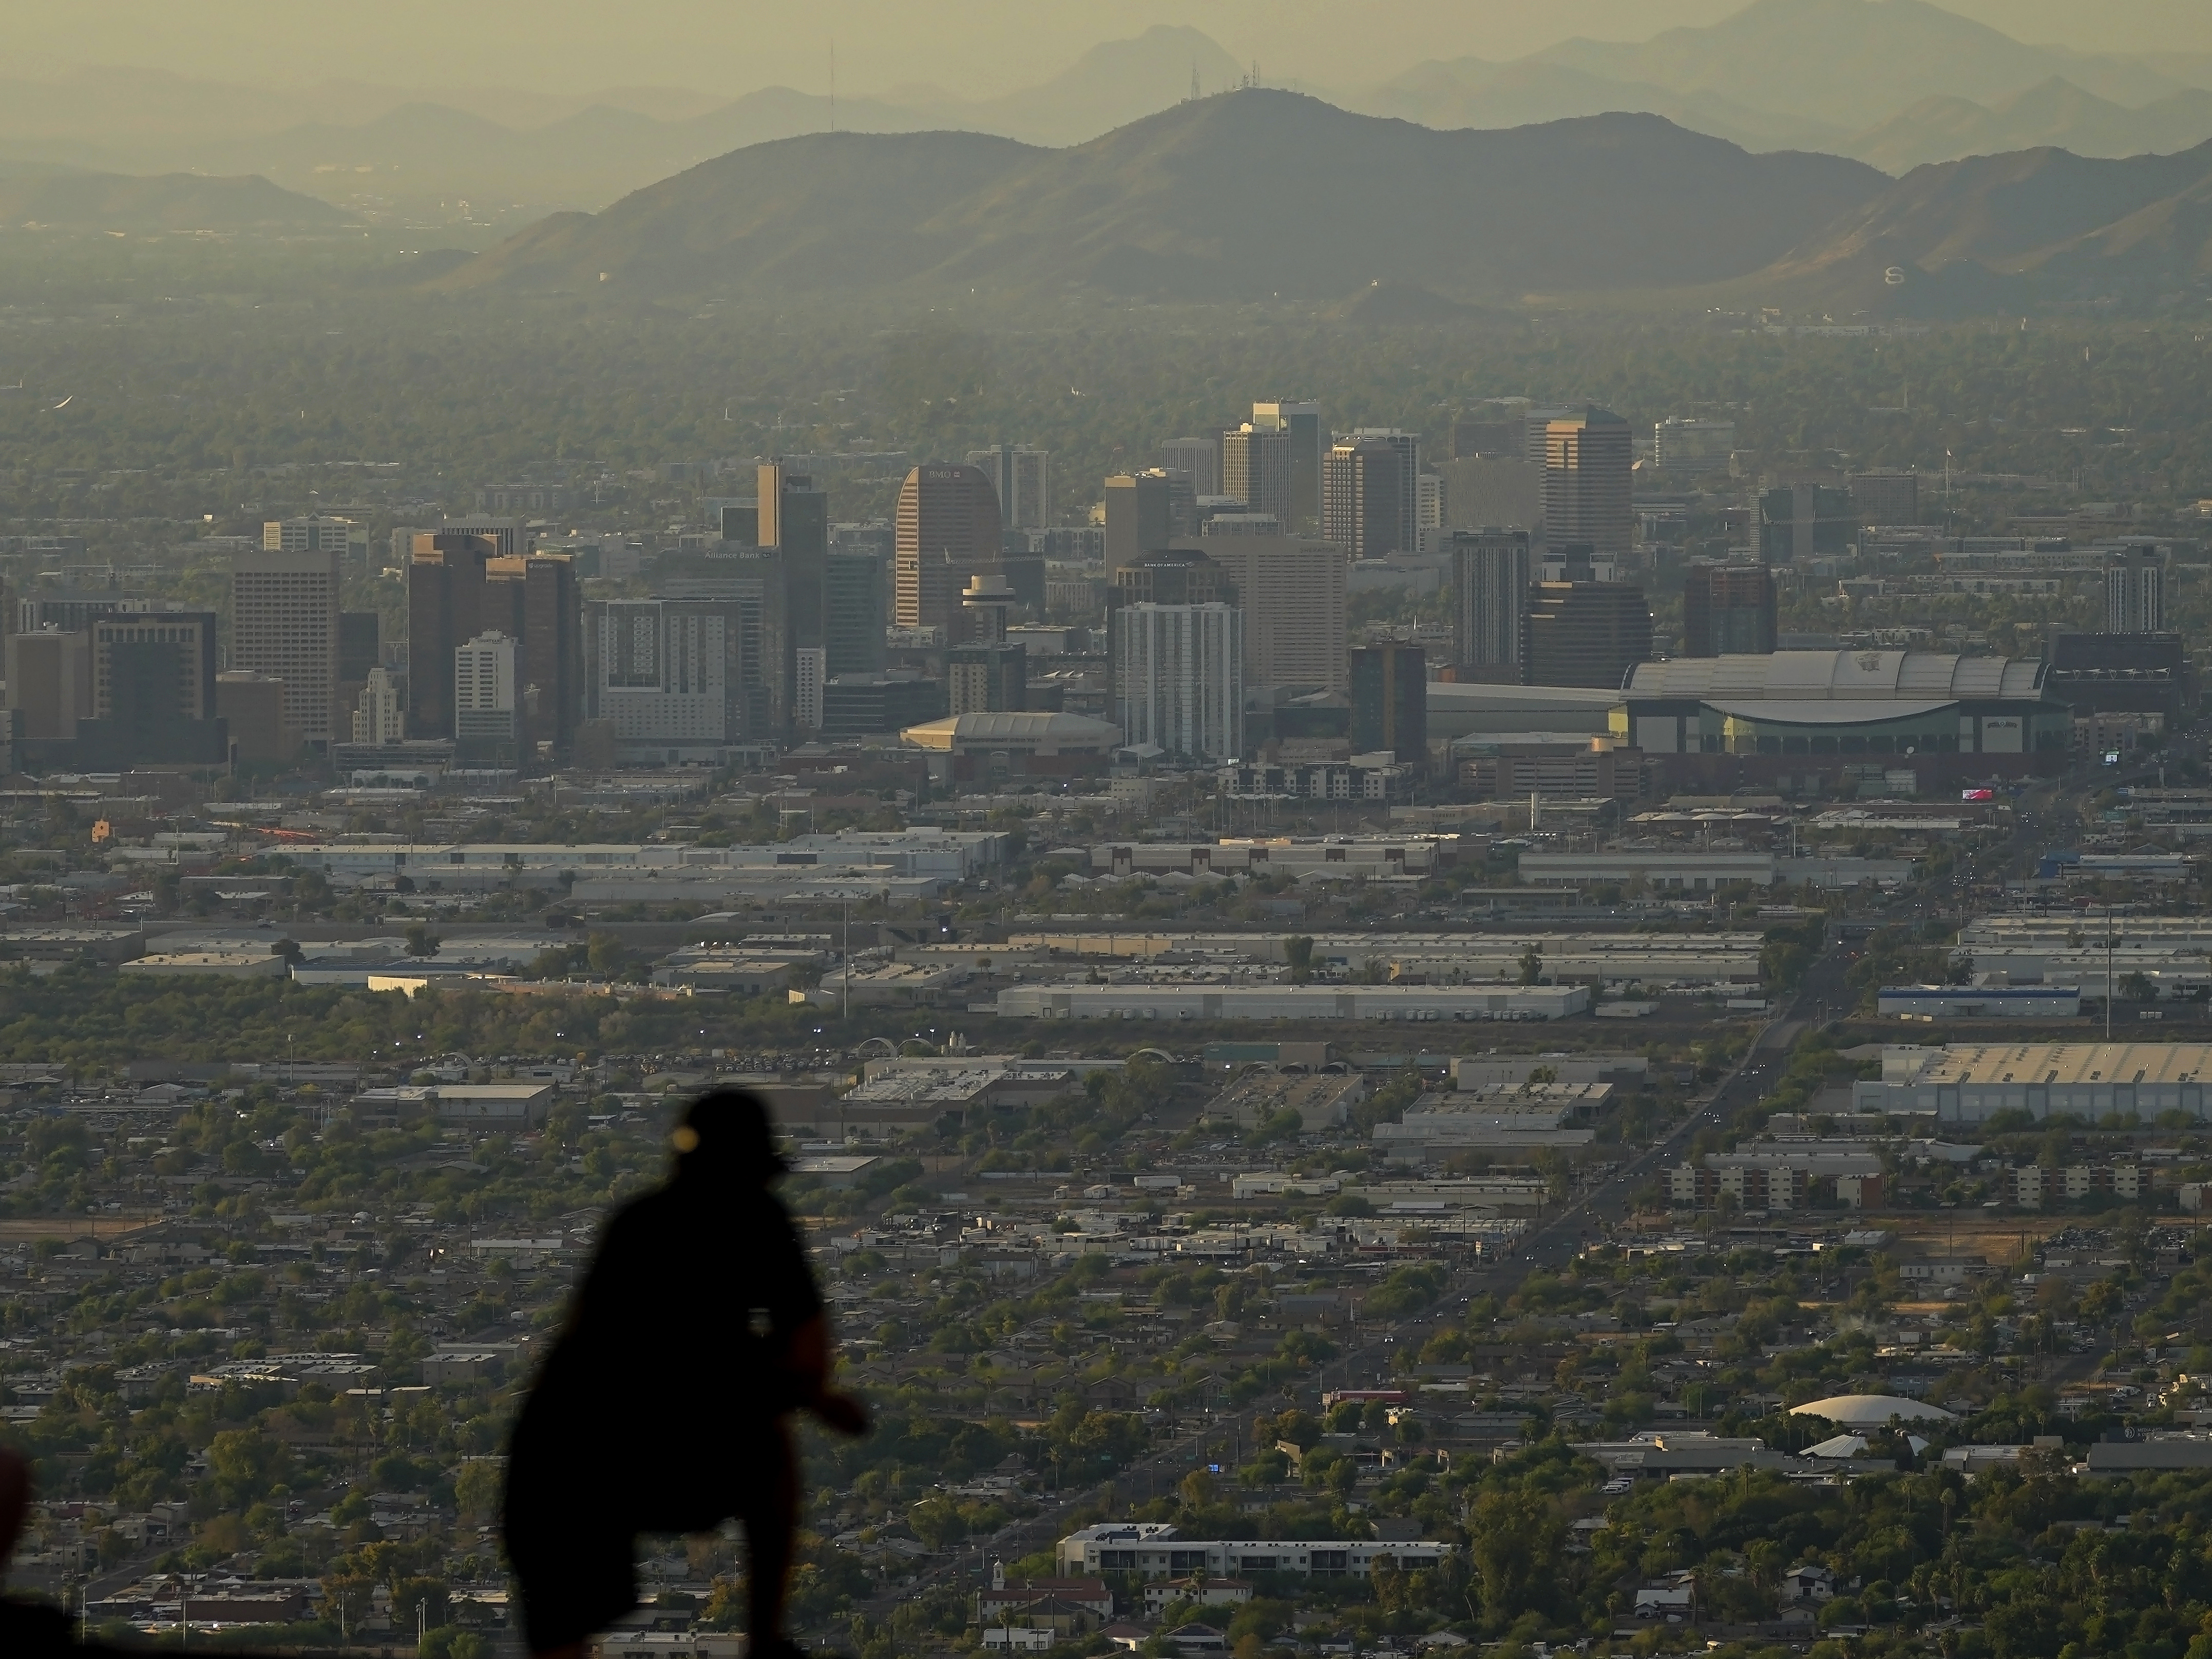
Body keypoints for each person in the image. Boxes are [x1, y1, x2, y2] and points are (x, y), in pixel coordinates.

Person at [505, 1089, 866, 1659]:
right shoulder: (756, 1221)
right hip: (594, 1452)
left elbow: (644, 1356)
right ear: (754, 1169)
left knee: (562, 1620)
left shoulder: (638, 1225)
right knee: (769, 1449)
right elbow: (794, 1356)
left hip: (556, 1461)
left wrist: (790, 1385)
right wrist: (811, 1396)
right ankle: (764, 1641)